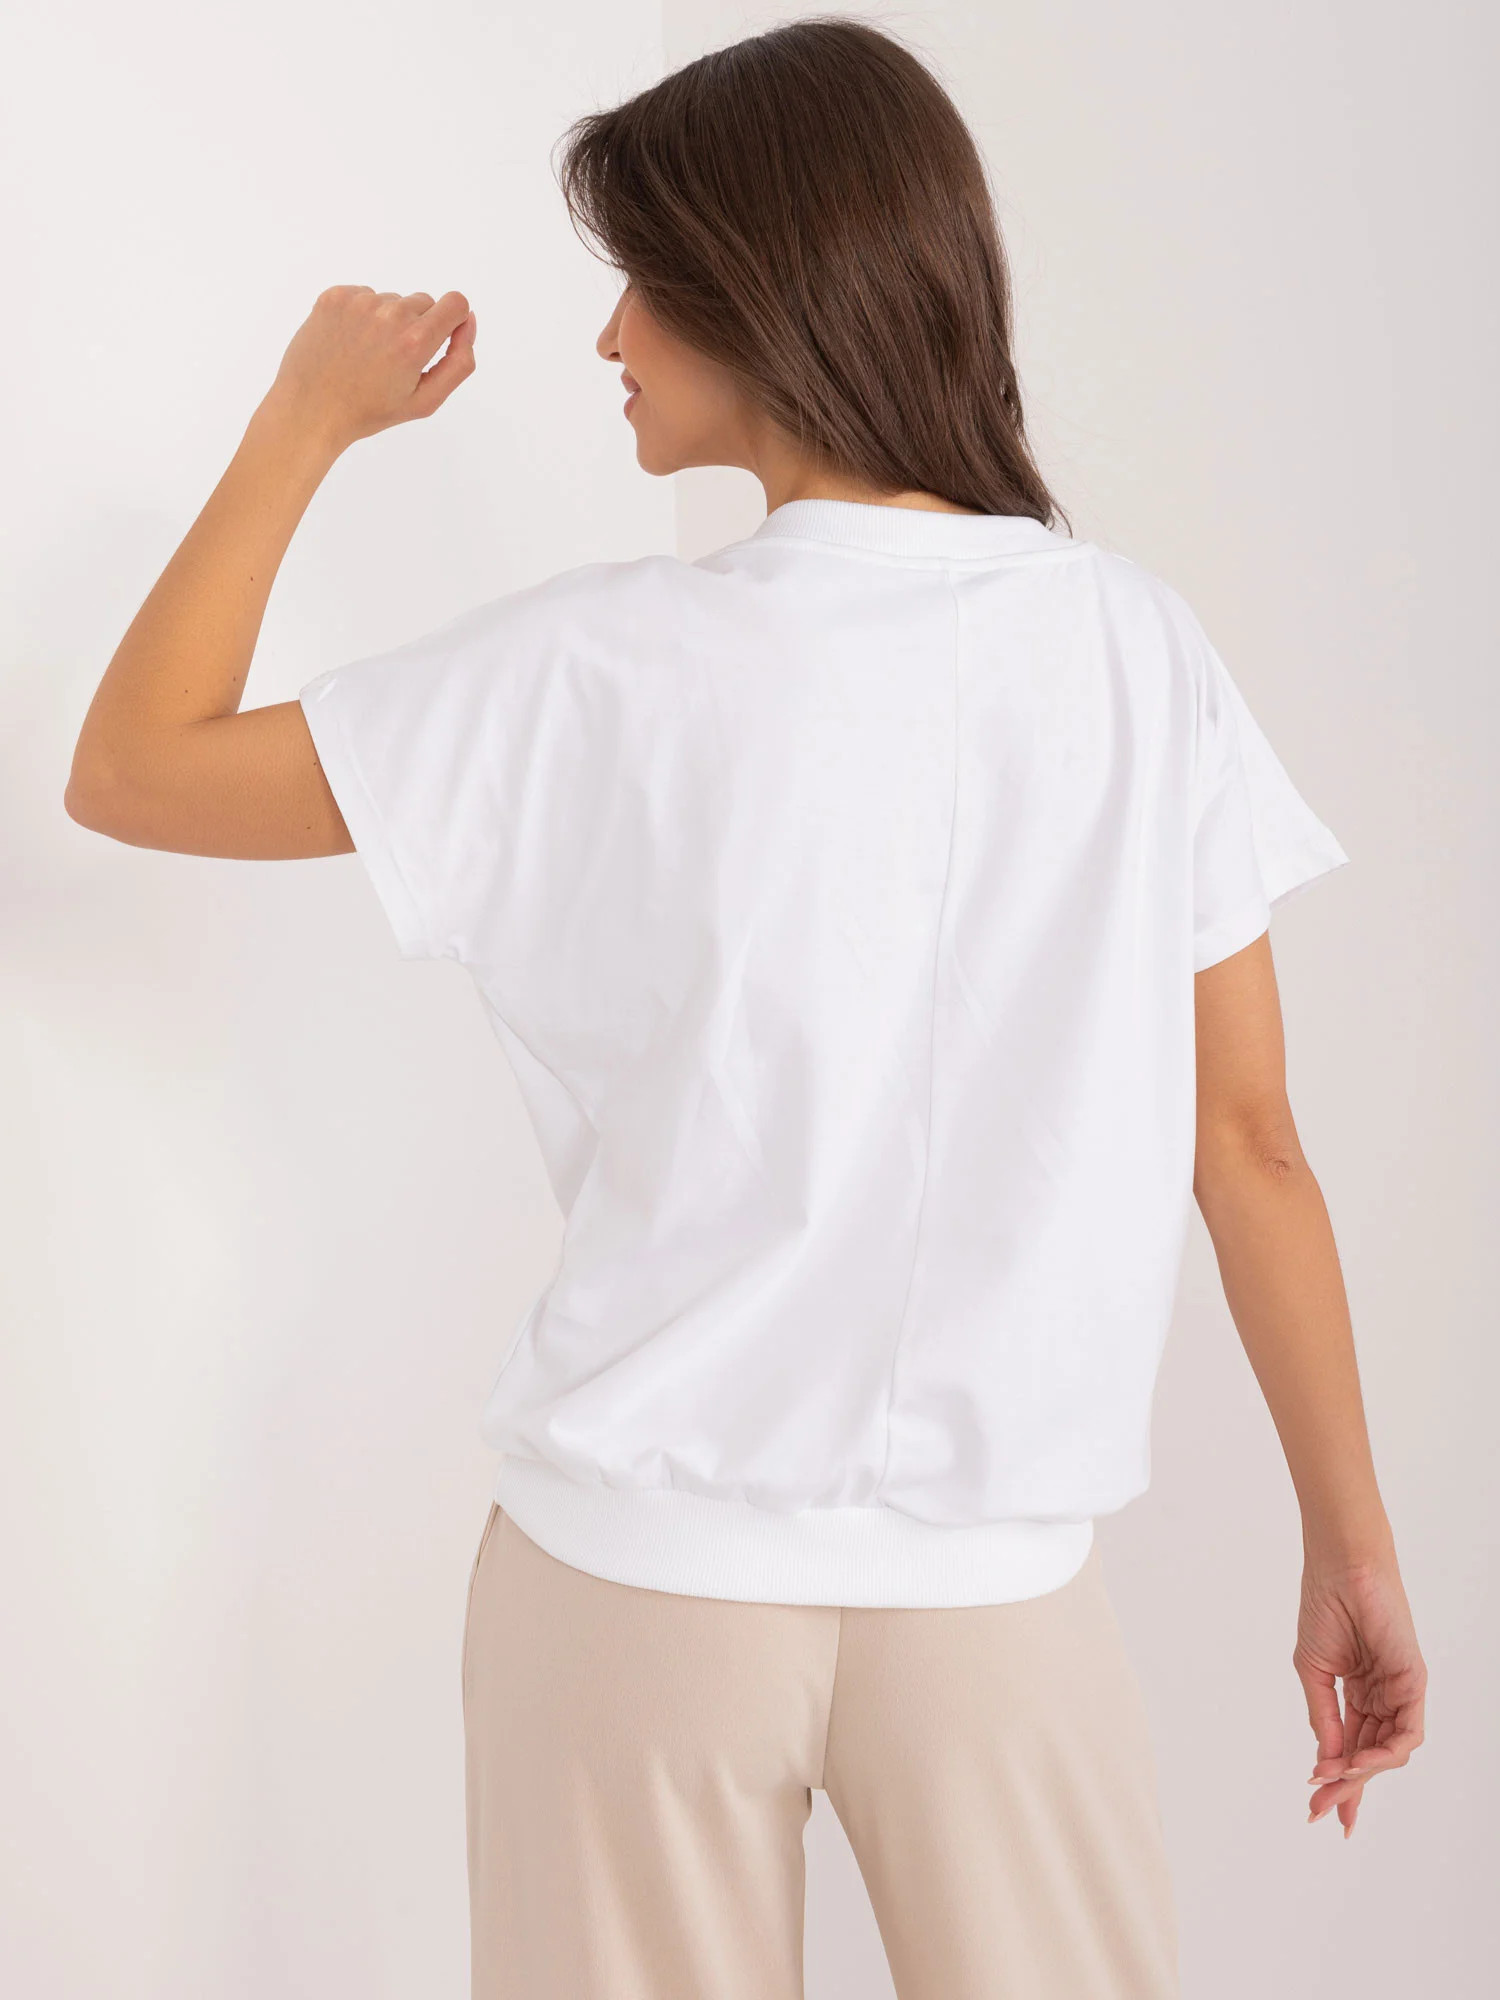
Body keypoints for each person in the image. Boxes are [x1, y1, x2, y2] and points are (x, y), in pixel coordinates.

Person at [64, 15, 1426, 1999]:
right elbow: (1253, 1143)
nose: (608, 334)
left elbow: (132, 764)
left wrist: (305, 416)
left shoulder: (601, 667)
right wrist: (1352, 1540)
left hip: (633, 1585)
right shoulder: (1139, 655)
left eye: (641, 279)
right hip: (996, 1599)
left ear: (758, 291)